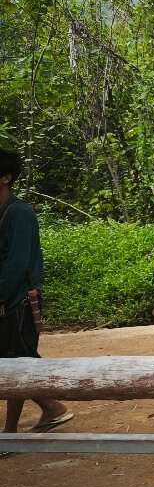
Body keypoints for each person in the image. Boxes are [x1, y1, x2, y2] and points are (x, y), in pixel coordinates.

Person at [0, 149, 72, 446]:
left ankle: (10, 434)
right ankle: (52, 407)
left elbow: (16, 266)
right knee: (17, 360)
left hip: (15, 302)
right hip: (6, 301)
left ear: (6, 178)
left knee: (17, 363)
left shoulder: (20, 214)